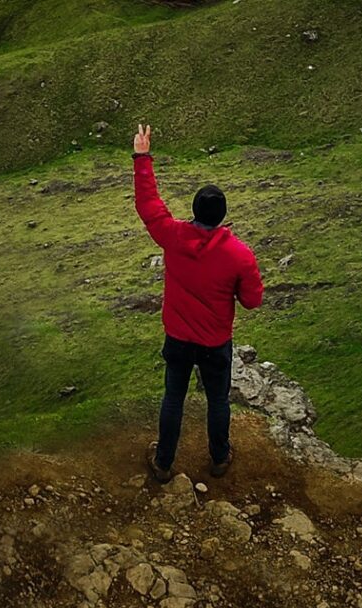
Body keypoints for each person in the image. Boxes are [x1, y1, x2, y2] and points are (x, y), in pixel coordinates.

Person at [131, 124, 264, 482]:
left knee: (173, 398)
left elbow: (149, 206)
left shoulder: (173, 237)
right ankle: (219, 459)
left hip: (178, 337)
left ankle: (163, 463)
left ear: (193, 210)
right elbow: (253, 300)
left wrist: (142, 157)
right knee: (218, 401)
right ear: (222, 215)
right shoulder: (240, 255)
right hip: (215, 342)